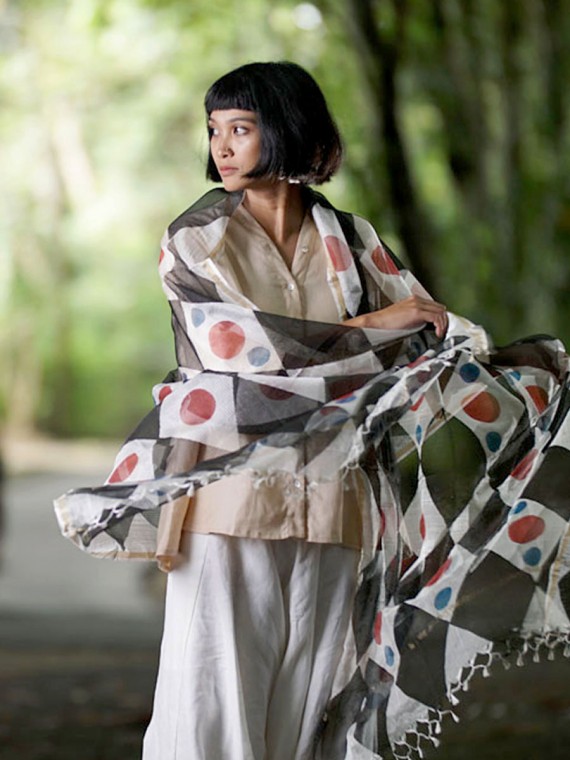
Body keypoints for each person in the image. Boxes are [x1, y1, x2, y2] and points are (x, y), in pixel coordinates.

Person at [55, 61, 570, 760]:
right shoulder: (196, 242)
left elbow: (418, 346)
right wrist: (376, 327)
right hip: (230, 498)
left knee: (311, 719)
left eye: (241, 128)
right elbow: (248, 361)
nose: (222, 146)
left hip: (338, 504)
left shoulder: (355, 243)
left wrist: (504, 370)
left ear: (288, 131)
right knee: (211, 712)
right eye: (214, 129)